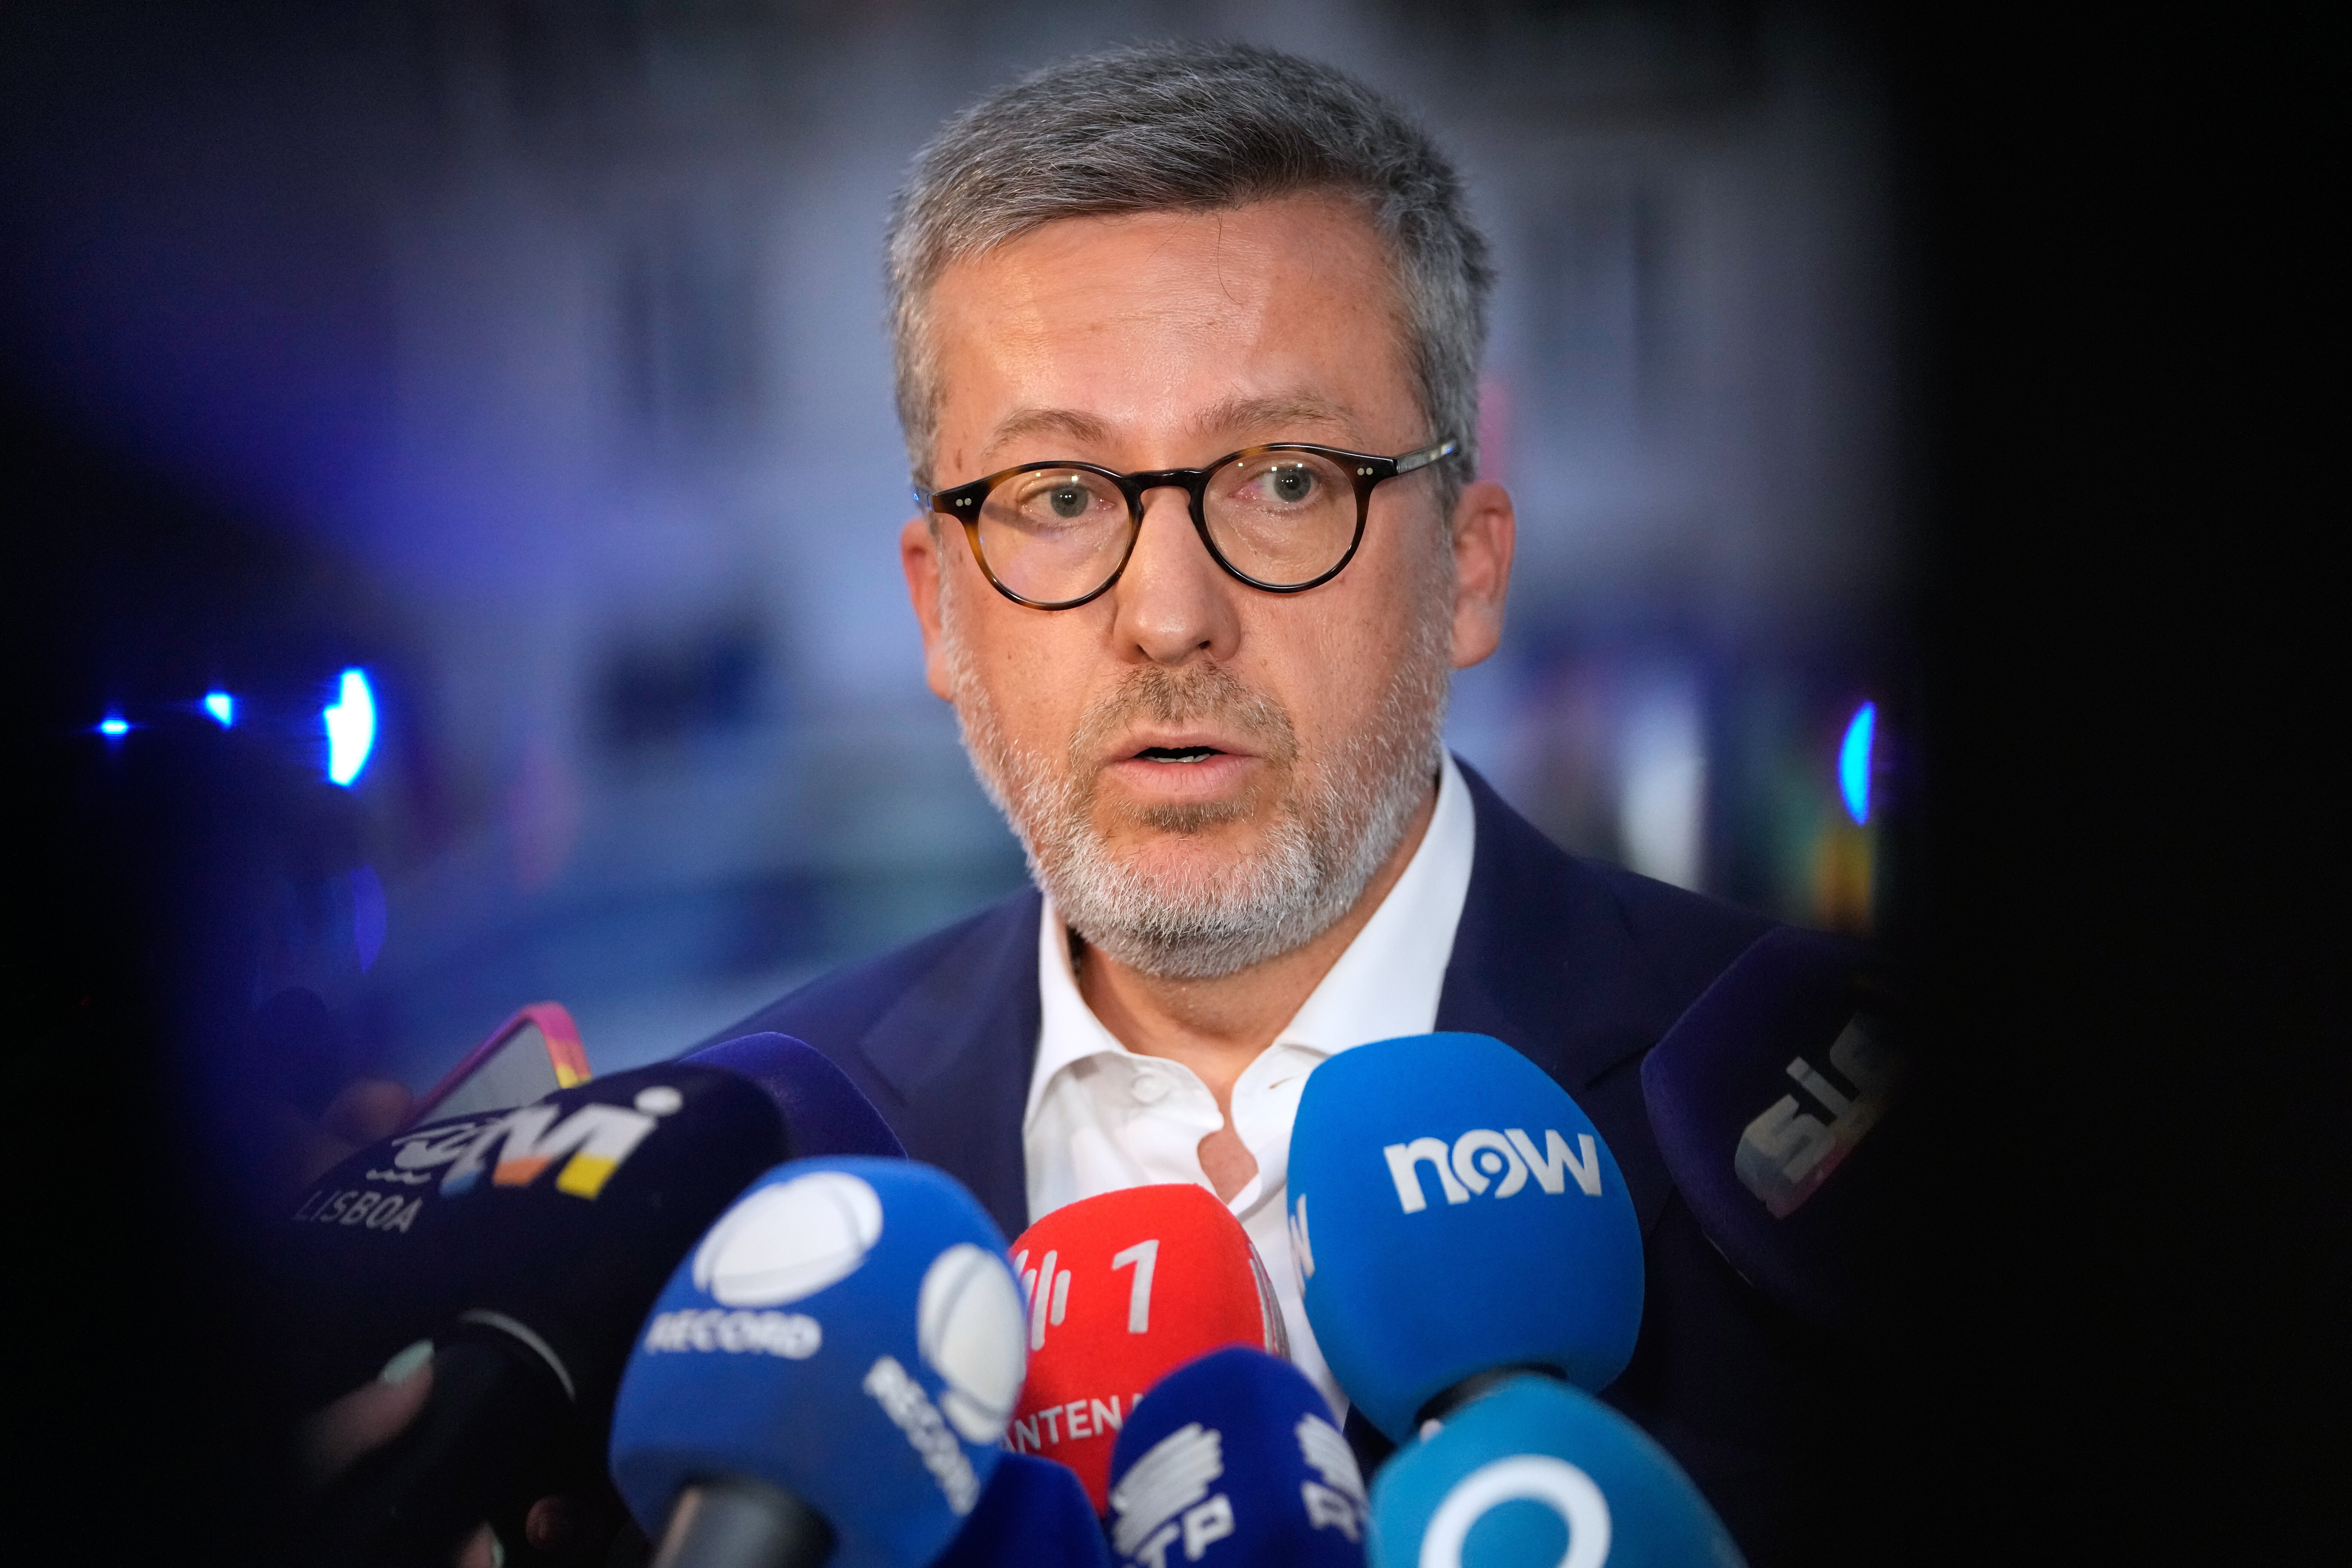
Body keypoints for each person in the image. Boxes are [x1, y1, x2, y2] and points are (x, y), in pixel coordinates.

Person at [718, 40, 1838, 1565]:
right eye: (1057, 497)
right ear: (936, 610)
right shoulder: (745, 1193)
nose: (1169, 614)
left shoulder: (1819, 1121)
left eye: (1287, 479)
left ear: (1470, 566)